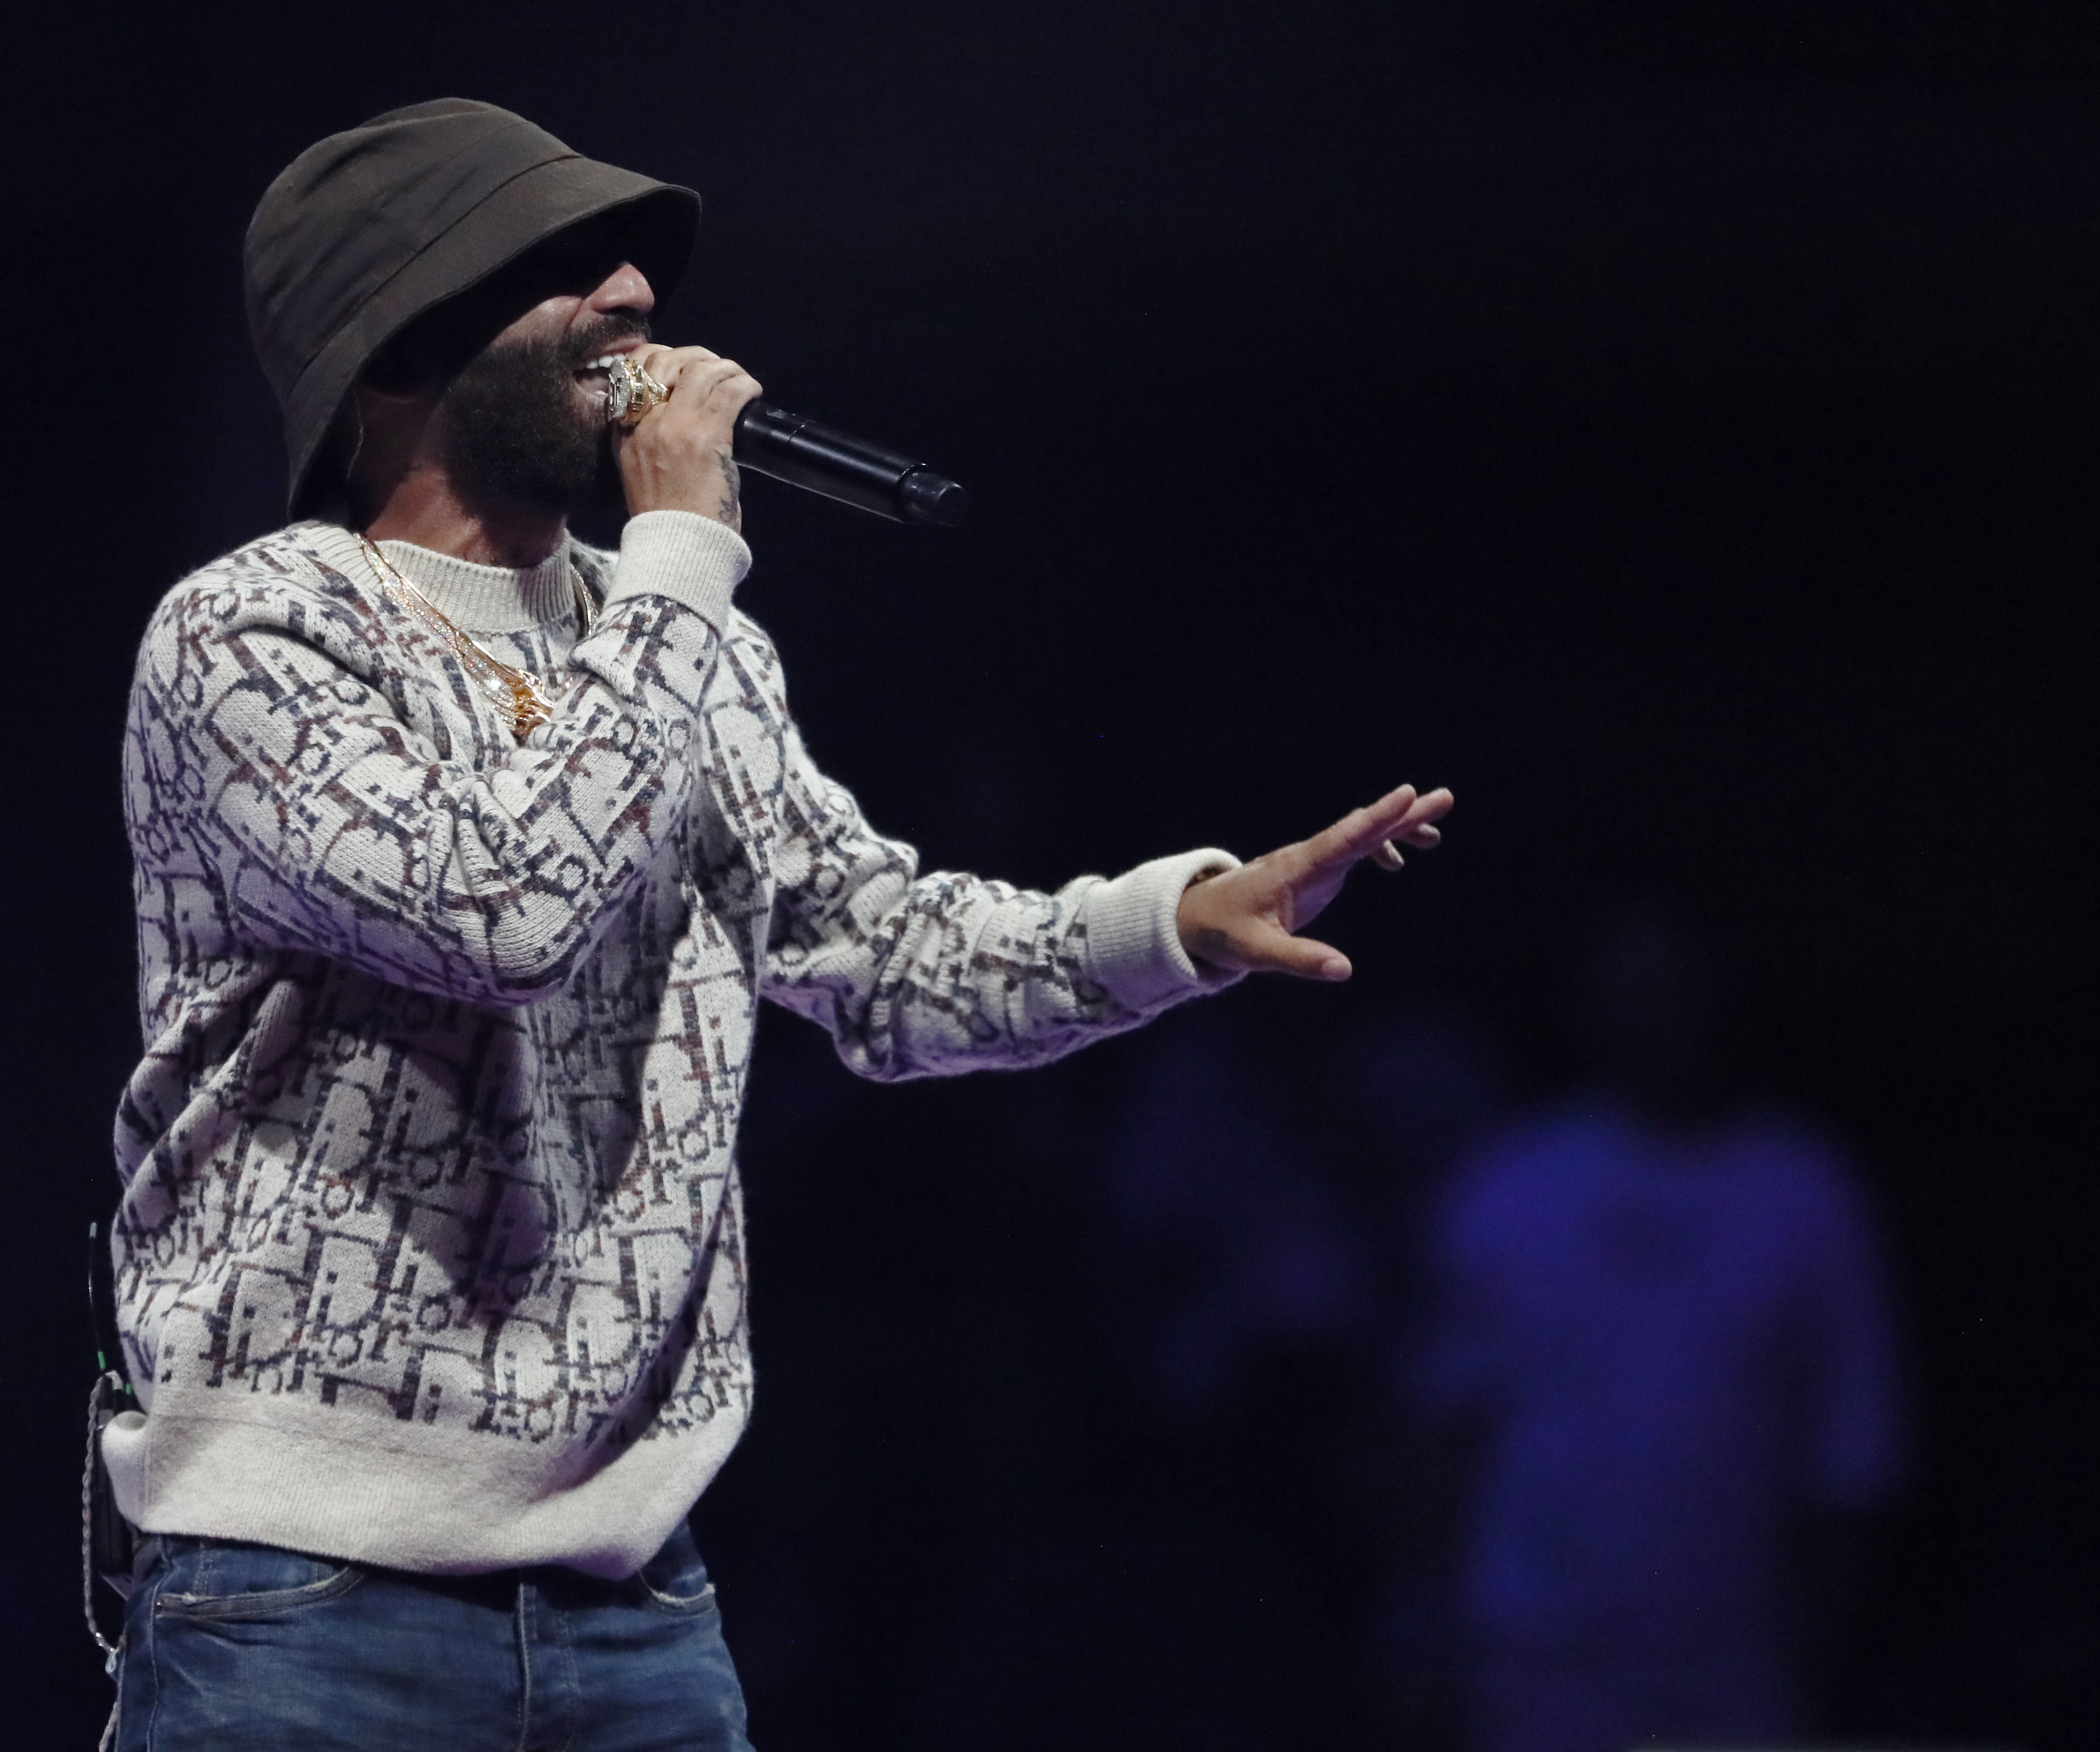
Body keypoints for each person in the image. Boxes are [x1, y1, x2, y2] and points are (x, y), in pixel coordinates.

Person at [99, 98, 1454, 1751]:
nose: (634, 299)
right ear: (398, 337)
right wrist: (682, 552)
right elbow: (499, 908)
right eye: (560, 266)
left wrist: (1166, 924)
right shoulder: (251, 632)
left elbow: (882, 958)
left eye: (631, 266)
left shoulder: (685, 646)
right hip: (304, 1596)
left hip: (634, 1599)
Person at [1420, 901, 1902, 1752]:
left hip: (1734, 1664)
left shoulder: (1802, 1190)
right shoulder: (1515, 1182)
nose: (1652, 1016)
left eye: (1674, 989)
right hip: (1534, 1646)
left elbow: (1852, 1445)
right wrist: (1421, 1626)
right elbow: (1448, 1421)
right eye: (1628, 991)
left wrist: (1824, 1650)